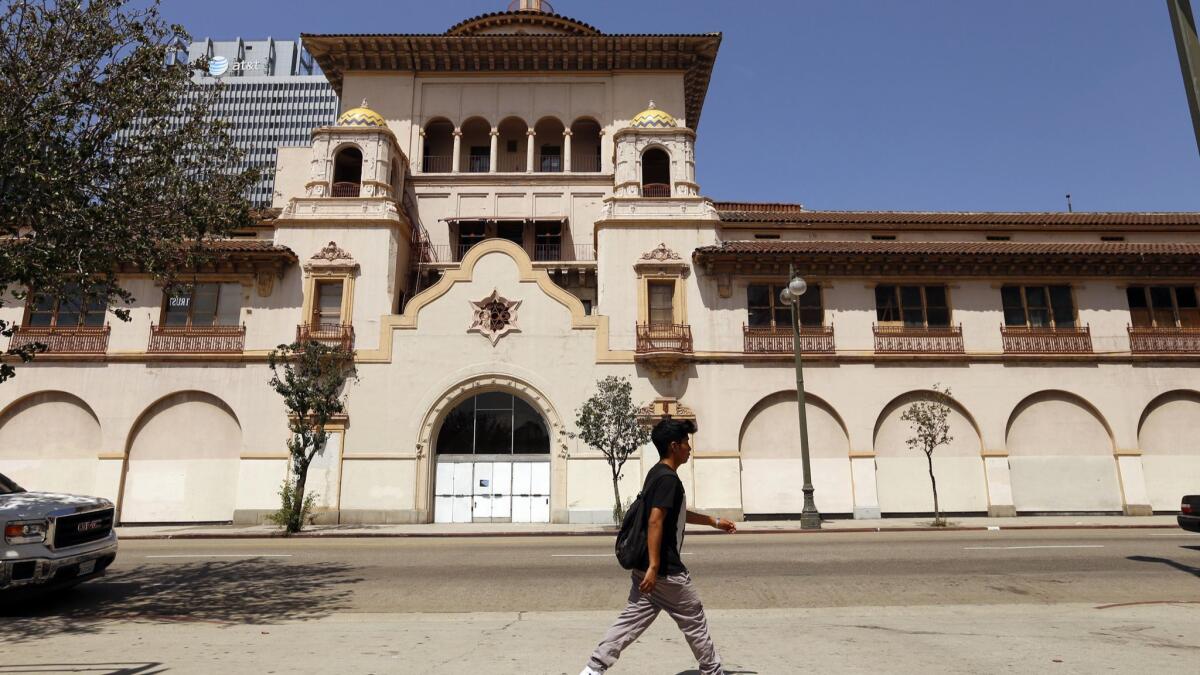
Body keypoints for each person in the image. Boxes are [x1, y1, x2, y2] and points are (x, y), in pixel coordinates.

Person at [580, 418, 737, 675]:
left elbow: (677, 512)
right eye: (686, 442)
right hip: (665, 571)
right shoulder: (668, 480)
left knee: (630, 622)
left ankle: (593, 669)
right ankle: (713, 670)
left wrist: (713, 522)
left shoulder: (657, 473)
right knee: (694, 618)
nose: (689, 448)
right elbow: (655, 521)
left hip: (647, 569)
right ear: (674, 446)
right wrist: (655, 566)